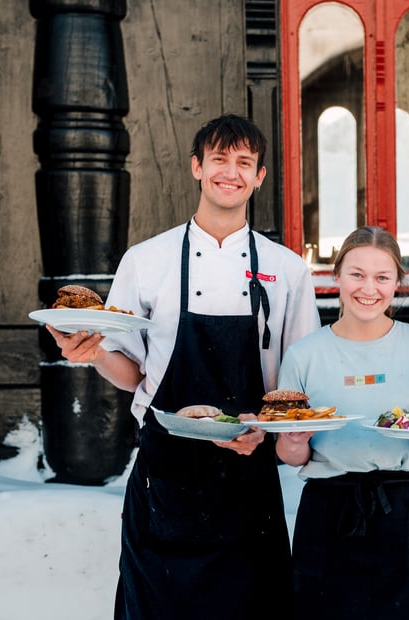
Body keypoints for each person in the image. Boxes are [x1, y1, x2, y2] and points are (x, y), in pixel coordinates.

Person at [45, 114, 321, 619]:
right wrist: (96, 354)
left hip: (247, 470)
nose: (230, 172)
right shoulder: (146, 260)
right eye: (219, 159)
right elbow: (133, 372)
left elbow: (298, 387)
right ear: (197, 167)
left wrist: (262, 430)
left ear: (259, 176)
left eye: (244, 163)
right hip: (165, 475)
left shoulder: (288, 269)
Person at [275, 226, 409, 620]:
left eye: (382, 277)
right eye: (357, 274)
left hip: (402, 511)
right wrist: (294, 440)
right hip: (326, 512)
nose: (368, 288)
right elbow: (291, 455)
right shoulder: (303, 354)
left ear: (397, 284)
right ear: (336, 275)